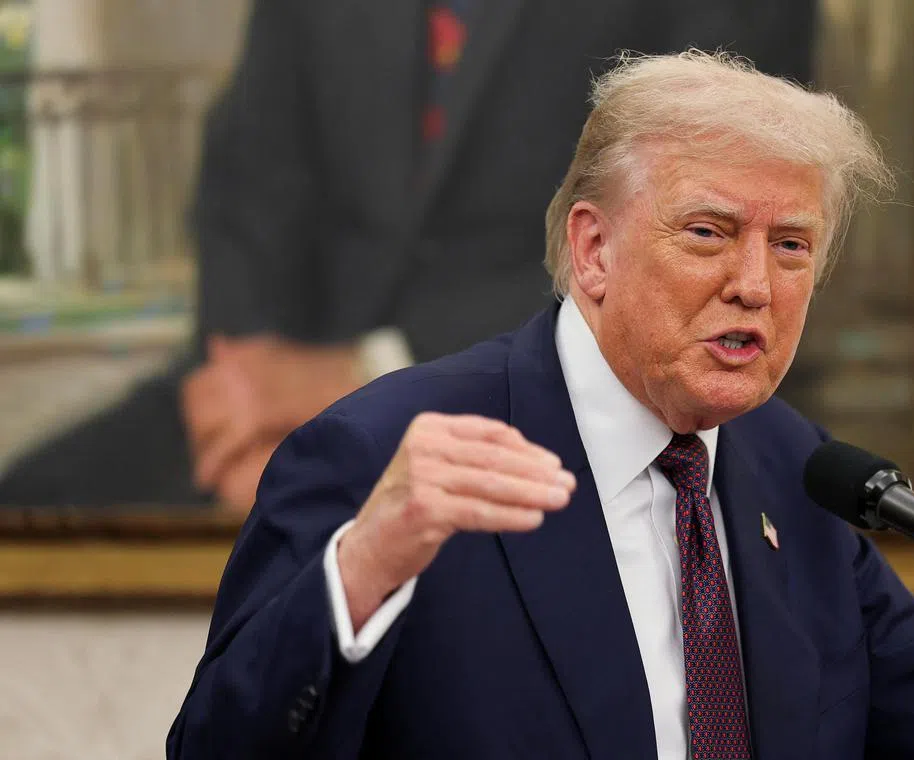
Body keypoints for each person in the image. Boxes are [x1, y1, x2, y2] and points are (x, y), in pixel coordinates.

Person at [167, 52, 914, 759]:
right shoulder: (380, 451)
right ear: (595, 249)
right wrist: (364, 566)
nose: (756, 285)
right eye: (708, 233)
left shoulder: (792, 467)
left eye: (794, 247)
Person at [0, 0, 814, 512]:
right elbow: (249, 182)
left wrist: (364, 368)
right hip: (282, 375)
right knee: (38, 501)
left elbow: (700, 229)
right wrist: (244, 399)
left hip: (570, 394)